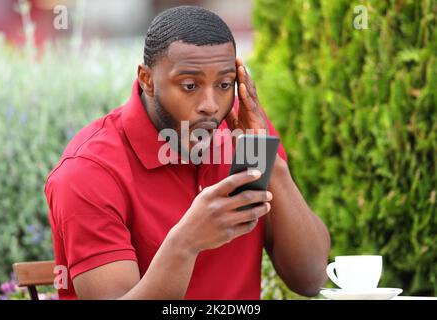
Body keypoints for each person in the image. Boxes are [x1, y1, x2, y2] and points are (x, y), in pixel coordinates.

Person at [44, 5, 331, 300]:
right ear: (147, 80)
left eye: (223, 84)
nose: (210, 104)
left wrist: (270, 162)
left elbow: (310, 280)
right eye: (190, 85)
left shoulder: (243, 136)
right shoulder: (90, 170)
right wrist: (186, 243)